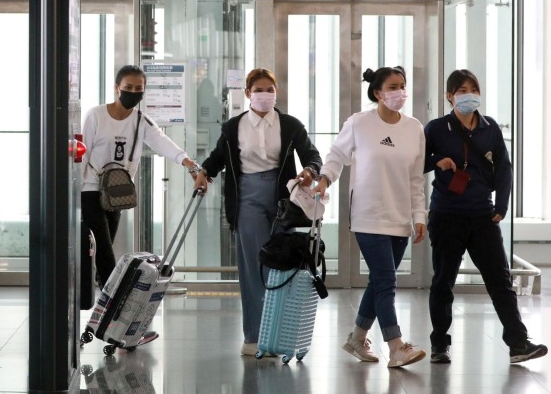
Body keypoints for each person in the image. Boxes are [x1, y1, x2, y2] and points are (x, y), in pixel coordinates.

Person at [424, 69, 547, 364]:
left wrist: (501, 207)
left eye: (473, 89)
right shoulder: (437, 128)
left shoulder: (490, 128)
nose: (469, 94)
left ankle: (518, 343)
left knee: (500, 281)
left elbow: (504, 169)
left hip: (482, 217)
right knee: (444, 281)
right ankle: (440, 344)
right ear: (449, 96)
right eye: (462, 90)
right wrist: (435, 161)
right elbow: (417, 163)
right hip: (447, 216)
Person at [198, 68, 322, 357]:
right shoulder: (233, 127)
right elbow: (218, 157)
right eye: (259, 90)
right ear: (247, 93)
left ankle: (278, 333)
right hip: (247, 197)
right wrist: (204, 172)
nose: (265, 95)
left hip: (282, 199)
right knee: (254, 266)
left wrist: (309, 171)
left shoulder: (290, 125)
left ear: (276, 92)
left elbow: (312, 155)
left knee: (280, 264)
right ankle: (254, 336)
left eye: (270, 90)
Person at [80, 65, 207, 344]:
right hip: (89, 190)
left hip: (116, 194)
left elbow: (162, 143)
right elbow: (82, 152)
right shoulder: (96, 116)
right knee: (104, 251)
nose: (133, 93)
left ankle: (108, 319)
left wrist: (189, 164)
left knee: (105, 254)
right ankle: (118, 316)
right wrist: (72, 192)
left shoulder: (141, 121)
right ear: (116, 87)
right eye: (128, 87)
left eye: (139, 89)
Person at [314, 66, 427, 368]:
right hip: (367, 215)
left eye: (402, 86)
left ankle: (355, 339)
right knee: (387, 280)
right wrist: (324, 179)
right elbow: (336, 155)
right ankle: (396, 345)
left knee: (378, 281)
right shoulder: (359, 123)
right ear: (377, 93)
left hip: (400, 217)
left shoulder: (415, 128)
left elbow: (416, 179)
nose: (399, 92)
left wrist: (419, 215)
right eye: (392, 87)